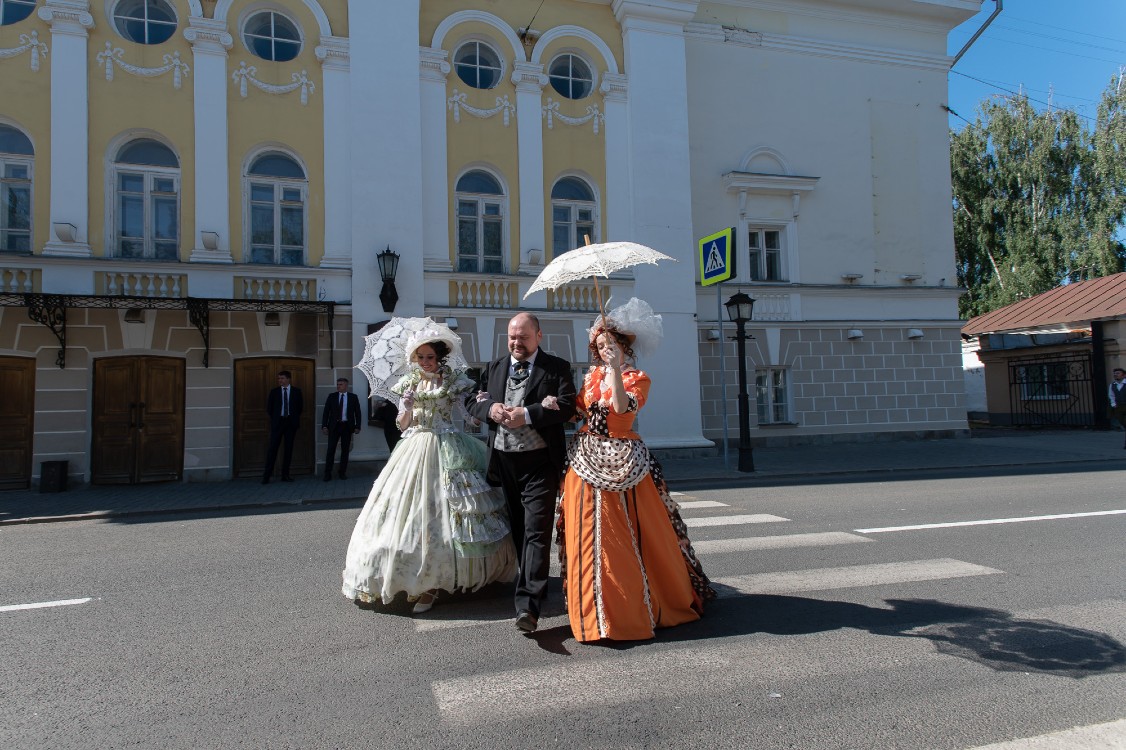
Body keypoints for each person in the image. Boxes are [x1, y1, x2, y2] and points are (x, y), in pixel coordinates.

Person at [555, 298, 714, 642]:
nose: (603, 350)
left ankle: (634, 608)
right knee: (586, 536)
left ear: (624, 347)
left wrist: (614, 370)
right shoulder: (591, 377)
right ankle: (593, 613)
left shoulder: (635, 377)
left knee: (627, 535)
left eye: (609, 344)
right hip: (586, 459)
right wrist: (559, 405)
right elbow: (581, 412)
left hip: (625, 459)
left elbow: (621, 409)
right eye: (599, 346)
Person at [342, 322, 516, 614]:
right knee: (408, 514)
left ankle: (441, 580)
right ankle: (416, 578)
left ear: (439, 358)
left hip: (448, 446)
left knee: (451, 512)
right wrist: (406, 407)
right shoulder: (408, 384)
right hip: (415, 447)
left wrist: (482, 408)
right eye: (420, 357)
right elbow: (402, 426)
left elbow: (468, 418)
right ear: (414, 359)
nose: (425, 362)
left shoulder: (454, 381)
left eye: (430, 357)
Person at [465, 312, 577, 633]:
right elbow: (474, 400)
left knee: (536, 531)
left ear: (538, 337)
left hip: (540, 462)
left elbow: (568, 405)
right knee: (518, 530)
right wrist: (491, 409)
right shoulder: (496, 367)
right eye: (512, 337)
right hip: (504, 461)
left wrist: (527, 414)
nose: (517, 343)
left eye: (523, 337)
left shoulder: (556, 368)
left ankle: (528, 604)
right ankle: (531, 579)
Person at [262, 370, 303, 484]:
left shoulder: (296, 391)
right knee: (272, 449)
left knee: (288, 449)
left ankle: (285, 475)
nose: (280, 380)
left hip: (290, 423)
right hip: (278, 422)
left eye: (282, 378)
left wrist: (292, 418)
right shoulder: (274, 392)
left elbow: (299, 408)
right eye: (279, 378)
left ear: (288, 379)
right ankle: (267, 476)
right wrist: (276, 418)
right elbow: (270, 409)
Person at [321, 377, 362, 481]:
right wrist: (324, 426)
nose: (338, 386)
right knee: (331, 449)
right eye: (338, 384)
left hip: (347, 426)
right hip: (334, 426)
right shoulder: (332, 397)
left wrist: (357, 426)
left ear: (346, 386)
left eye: (341, 384)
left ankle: (342, 472)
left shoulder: (353, 397)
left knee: (345, 450)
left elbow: (357, 413)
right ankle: (327, 473)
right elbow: (326, 412)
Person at [1110, 368, 1126, 446]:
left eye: (1118, 373)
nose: (1115, 375)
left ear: (1124, 375)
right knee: (1122, 422)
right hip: (1119, 407)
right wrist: (1113, 404)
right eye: (1115, 373)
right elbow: (1111, 395)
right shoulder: (1113, 385)